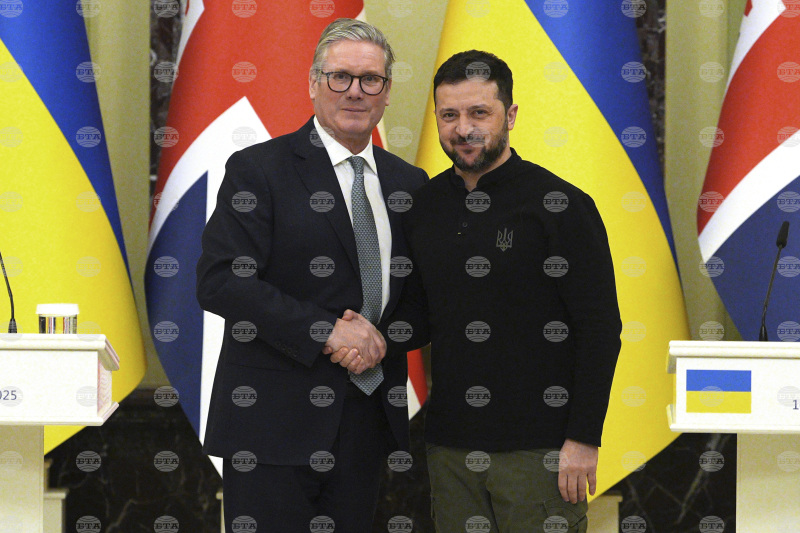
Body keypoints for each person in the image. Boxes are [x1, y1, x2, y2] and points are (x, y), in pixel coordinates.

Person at [195, 18, 427, 533]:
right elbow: (221, 280)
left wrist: (377, 341)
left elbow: (421, 298)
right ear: (313, 83)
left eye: (371, 79)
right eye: (340, 76)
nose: (355, 91)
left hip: (366, 422)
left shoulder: (409, 184)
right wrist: (328, 332)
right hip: (270, 425)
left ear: (387, 92)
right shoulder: (259, 169)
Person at [381, 50, 622, 532]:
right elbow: (420, 316)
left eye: (479, 113)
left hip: (541, 450)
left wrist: (583, 438)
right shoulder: (423, 207)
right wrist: (364, 334)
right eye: (449, 115)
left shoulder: (561, 205)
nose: (463, 128)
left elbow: (600, 329)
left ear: (509, 115)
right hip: (450, 447)